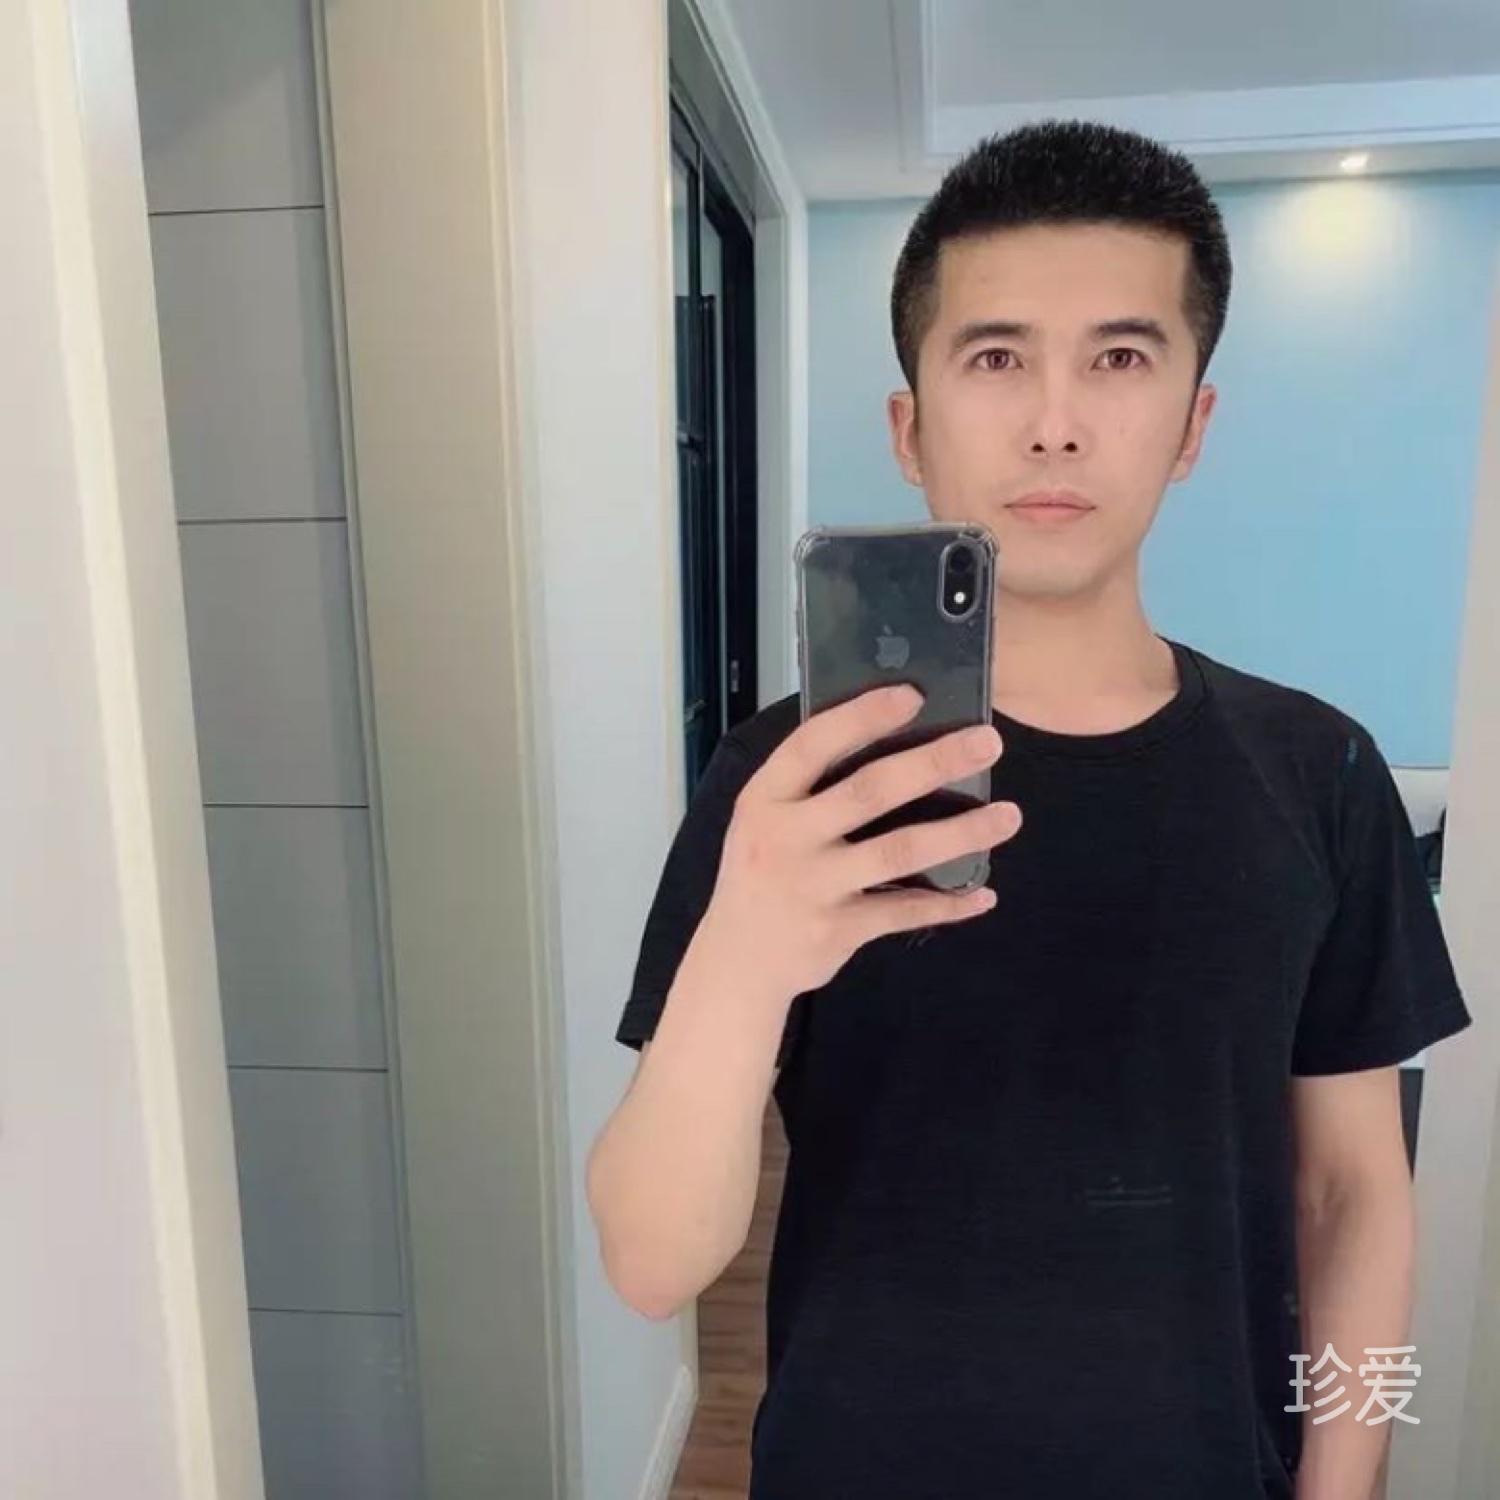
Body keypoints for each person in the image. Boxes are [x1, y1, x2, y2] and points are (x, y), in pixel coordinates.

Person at [586, 120, 1471, 1499]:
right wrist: (746, 953)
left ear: (1194, 425)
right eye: (995, 358)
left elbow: (1350, 1192)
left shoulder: (1319, 773)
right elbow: (652, 1264)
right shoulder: (792, 781)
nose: (1056, 421)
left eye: (1120, 358)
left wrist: (1342, 1488)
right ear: (910, 428)